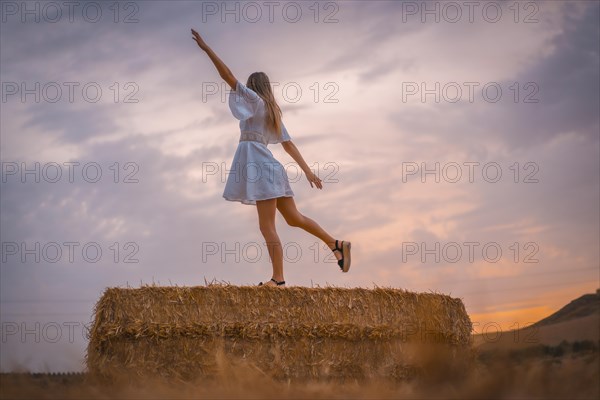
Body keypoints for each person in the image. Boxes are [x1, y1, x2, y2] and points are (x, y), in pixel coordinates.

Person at [191, 29, 351, 287]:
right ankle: (336, 244)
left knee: (267, 227)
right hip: (271, 168)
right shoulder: (273, 111)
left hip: (261, 169)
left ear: (253, 88)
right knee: (294, 219)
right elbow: (289, 145)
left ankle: (278, 280)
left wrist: (207, 49)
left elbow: (227, 76)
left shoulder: (254, 101)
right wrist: (308, 172)